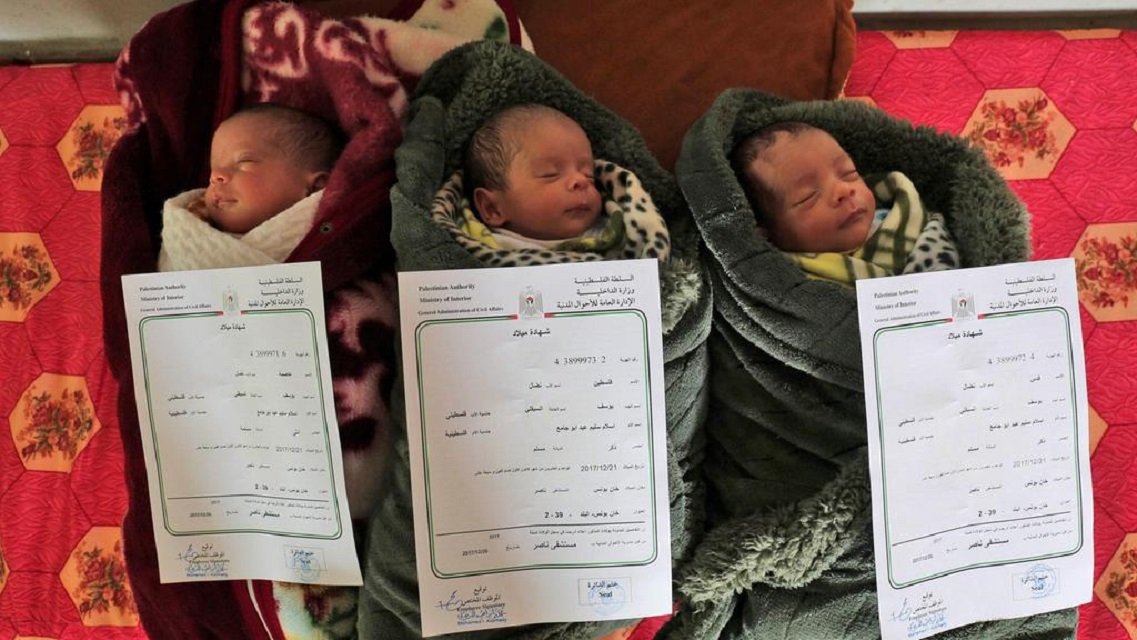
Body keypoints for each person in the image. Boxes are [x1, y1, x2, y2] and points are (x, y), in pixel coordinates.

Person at [431, 103, 669, 264]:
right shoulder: (472, 243)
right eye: (550, 174)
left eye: (589, 175)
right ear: (493, 208)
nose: (580, 181)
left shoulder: (620, 233)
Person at [731, 121, 959, 284]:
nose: (844, 190)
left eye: (848, 173)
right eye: (809, 196)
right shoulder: (786, 279)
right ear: (768, 234)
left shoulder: (905, 221)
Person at [158, 103, 344, 271]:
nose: (215, 177)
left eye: (243, 162)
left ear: (315, 188)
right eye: (213, 169)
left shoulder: (334, 238)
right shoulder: (188, 229)